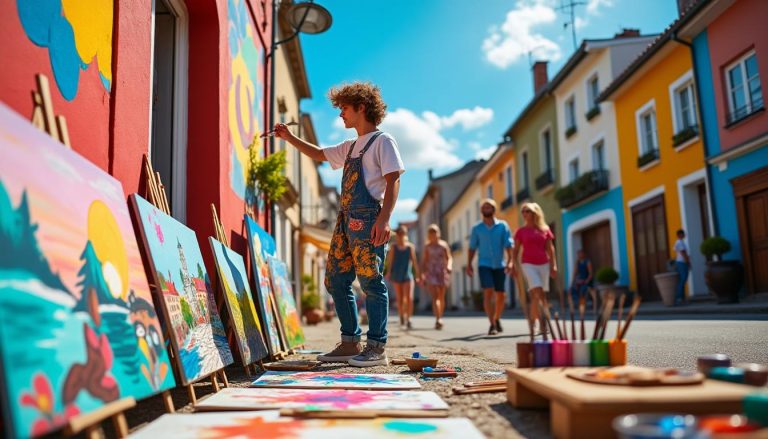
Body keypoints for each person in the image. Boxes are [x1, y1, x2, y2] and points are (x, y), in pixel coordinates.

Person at [273, 81, 404, 367]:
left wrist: (384, 219)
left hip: (369, 219)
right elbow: (320, 154)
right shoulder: (350, 147)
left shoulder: (382, 141)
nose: (341, 114)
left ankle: (376, 347)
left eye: (344, 108)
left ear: (361, 107)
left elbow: (394, 179)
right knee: (335, 279)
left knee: (370, 281)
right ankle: (349, 342)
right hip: (345, 221)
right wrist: (289, 137)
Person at [466, 199, 514, 336]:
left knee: (501, 295)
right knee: (488, 291)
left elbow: (508, 245)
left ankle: (497, 318)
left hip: (499, 264)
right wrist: (469, 264)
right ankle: (492, 324)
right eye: (484, 207)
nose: (486, 209)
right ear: (481, 210)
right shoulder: (477, 228)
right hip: (484, 264)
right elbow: (472, 247)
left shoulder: (503, 226)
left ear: (494, 209)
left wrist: (510, 261)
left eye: (489, 207)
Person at [511, 202, 557, 337]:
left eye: (527, 211)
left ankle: (541, 322)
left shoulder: (545, 229)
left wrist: (553, 265)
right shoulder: (521, 231)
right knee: (537, 291)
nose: (524, 214)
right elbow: (516, 250)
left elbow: (550, 249)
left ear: (535, 213)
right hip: (528, 264)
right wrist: (513, 264)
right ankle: (536, 324)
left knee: (540, 295)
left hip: (543, 264)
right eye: (523, 211)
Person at [384, 224, 419, 329]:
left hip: (408, 275)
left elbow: (414, 262)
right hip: (397, 275)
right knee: (400, 299)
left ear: (405, 234)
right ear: (397, 235)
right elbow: (390, 262)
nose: (400, 236)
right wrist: (388, 272)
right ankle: (401, 316)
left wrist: (418, 275)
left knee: (409, 298)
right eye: (399, 234)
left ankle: (409, 319)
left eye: (402, 234)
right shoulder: (393, 247)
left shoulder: (410, 247)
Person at [420, 224, 452, 330]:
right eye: (431, 232)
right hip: (431, 273)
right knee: (435, 296)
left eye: (434, 232)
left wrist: (449, 266)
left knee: (441, 297)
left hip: (442, 272)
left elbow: (449, 257)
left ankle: (440, 316)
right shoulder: (427, 247)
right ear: (429, 235)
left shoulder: (443, 245)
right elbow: (424, 261)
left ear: (438, 233)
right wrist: (422, 274)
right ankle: (438, 319)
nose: (433, 234)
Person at [674, 229, 691, 306]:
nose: (684, 235)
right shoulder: (679, 242)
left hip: (681, 262)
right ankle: (679, 298)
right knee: (683, 279)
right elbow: (683, 252)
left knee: (683, 279)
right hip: (682, 262)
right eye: (683, 234)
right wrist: (687, 261)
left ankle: (682, 298)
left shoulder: (680, 242)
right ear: (679, 235)